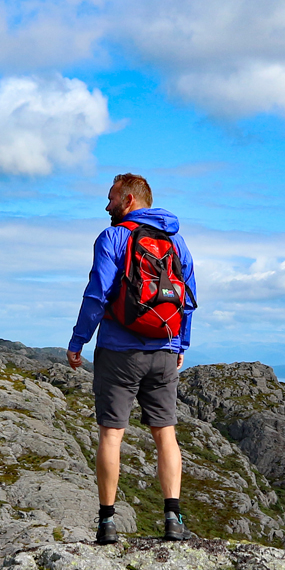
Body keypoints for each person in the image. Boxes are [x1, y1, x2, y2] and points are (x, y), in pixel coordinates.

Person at [67, 173, 197, 544]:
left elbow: (97, 294)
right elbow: (187, 298)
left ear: (128, 199)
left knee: (111, 434)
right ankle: (174, 520)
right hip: (164, 351)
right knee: (165, 435)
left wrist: (78, 340)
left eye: (110, 198)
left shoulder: (112, 237)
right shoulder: (176, 242)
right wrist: (180, 345)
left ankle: (107, 523)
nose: (106, 205)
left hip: (119, 352)